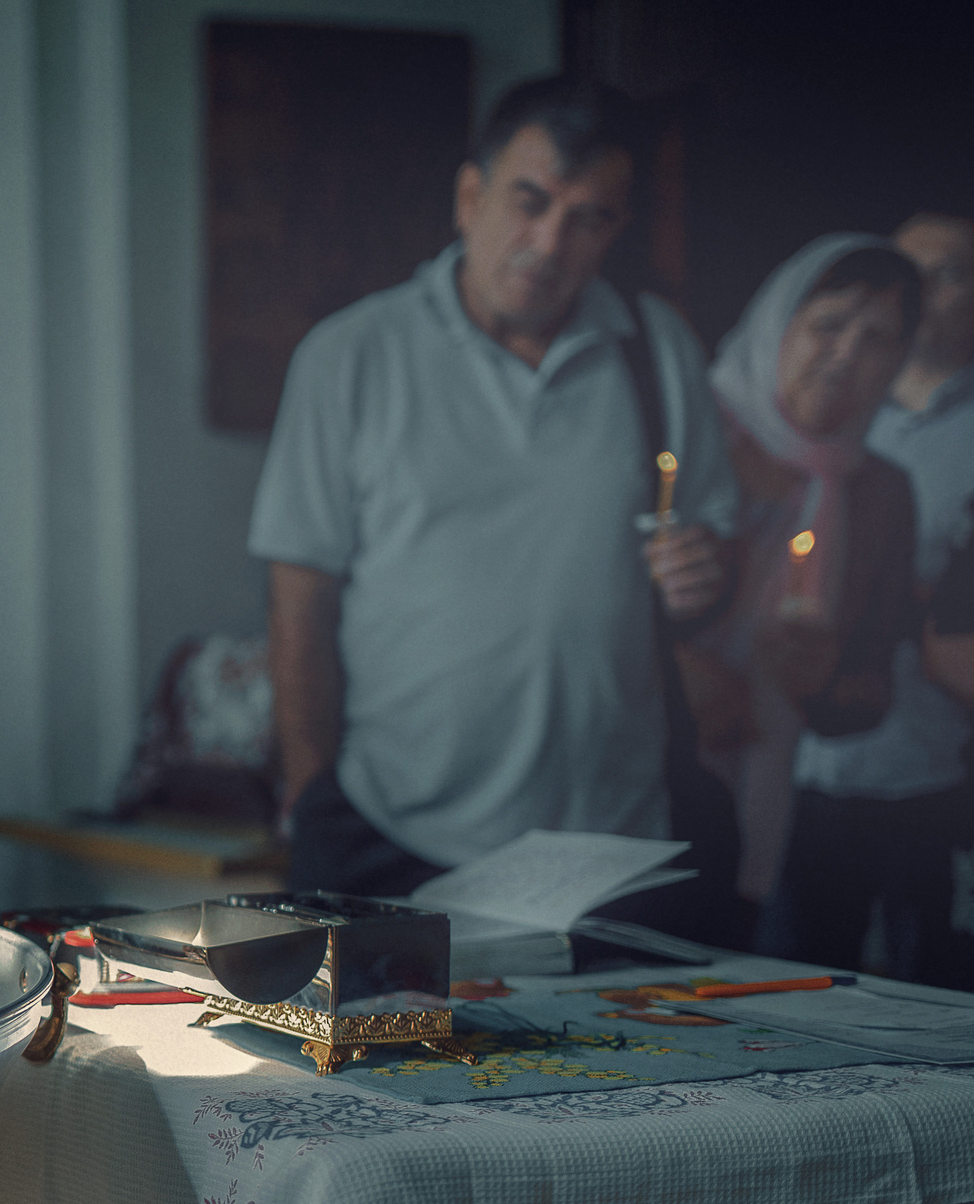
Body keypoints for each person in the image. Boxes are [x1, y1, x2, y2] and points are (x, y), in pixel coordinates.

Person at [255, 77, 742, 939]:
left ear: (616, 230)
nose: (550, 242)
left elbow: (707, 572)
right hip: (392, 828)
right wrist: (309, 791)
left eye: (589, 217)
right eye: (531, 201)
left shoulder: (656, 347)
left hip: (613, 842)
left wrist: (706, 578)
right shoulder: (351, 355)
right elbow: (300, 604)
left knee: (642, 1072)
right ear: (470, 195)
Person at [701, 237, 924, 965]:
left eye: (879, 339)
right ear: (778, 322)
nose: (846, 355)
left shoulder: (881, 492)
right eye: (828, 324)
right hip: (635, 790)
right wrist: (685, 668)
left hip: (773, 816)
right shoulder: (690, 435)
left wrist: (826, 675)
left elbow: (866, 692)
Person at [783, 214, 974, 984]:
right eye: (908, 270)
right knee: (798, 983)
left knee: (933, 990)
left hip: (932, 763)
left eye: (950, 271)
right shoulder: (823, 408)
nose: (923, 290)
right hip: (805, 761)